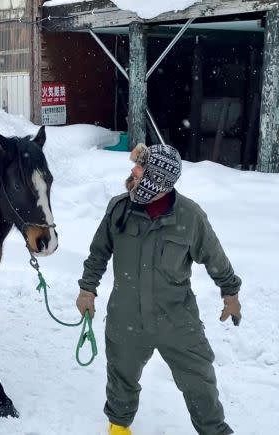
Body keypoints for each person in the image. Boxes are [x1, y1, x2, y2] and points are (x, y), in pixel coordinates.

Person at [75, 143, 243, 435]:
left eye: (140, 167)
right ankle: (118, 427)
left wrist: (230, 292)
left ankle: (214, 431)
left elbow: (215, 258)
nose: (133, 171)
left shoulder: (190, 218)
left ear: (156, 177)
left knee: (199, 379)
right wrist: (87, 289)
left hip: (176, 319)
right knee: (121, 377)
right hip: (127, 317)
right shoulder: (119, 209)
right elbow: (98, 253)